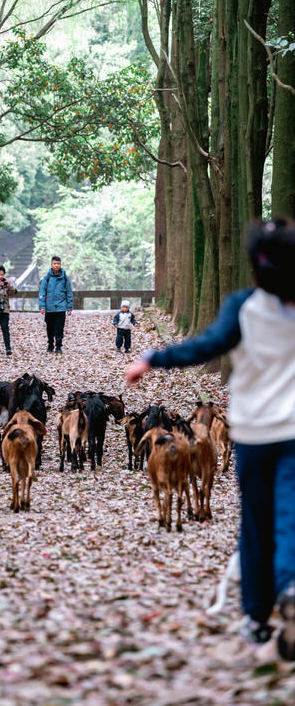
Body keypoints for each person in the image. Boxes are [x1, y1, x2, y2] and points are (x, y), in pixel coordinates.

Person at [125, 218, 295, 661]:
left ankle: (258, 618)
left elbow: (205, 346)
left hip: (255, 434)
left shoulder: (244, 307)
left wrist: (151, 359)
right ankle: (291, 585)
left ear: (254, 266)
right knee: (290, 514)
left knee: (257, 526)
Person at [39, 256, 73, 354]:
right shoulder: (47, 278)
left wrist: (69, 307)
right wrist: (42, 306)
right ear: (51, 264)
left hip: (61, 307)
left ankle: (58, 346)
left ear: (60, 264)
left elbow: (69, 293)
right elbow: (42, 292)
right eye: (54, 264)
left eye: (58, 264)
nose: (56, 265)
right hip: (49, 307)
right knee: (50, 328)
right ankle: (50, 344)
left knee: (59, 328)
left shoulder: (65, 278)